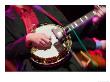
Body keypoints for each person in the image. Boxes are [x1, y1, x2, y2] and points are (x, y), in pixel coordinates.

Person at [5, 5, 106, 71]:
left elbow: (71, 34)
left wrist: (93, 21)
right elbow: (6, 51)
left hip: (69, 66)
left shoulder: (46, 7)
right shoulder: (6, 18)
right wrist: (27, 40)